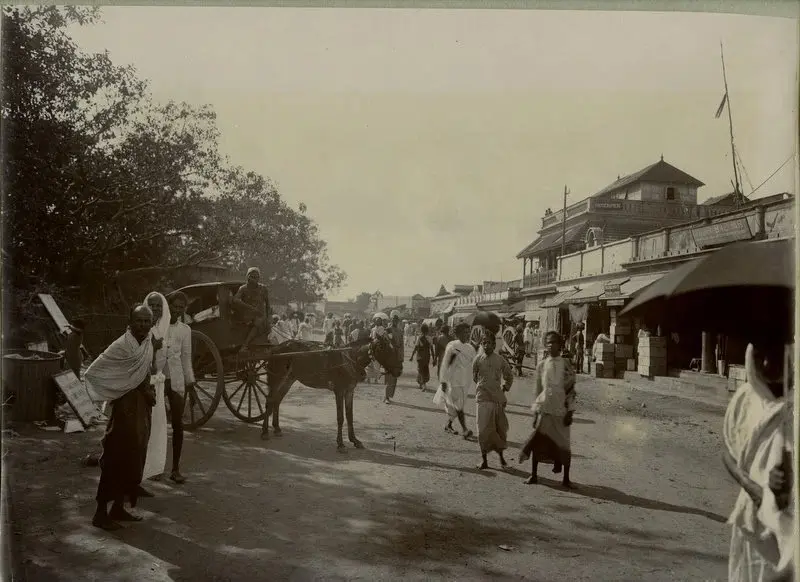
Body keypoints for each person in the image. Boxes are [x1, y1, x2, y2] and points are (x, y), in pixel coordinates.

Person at [723, 342, 795, 582]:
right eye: (760, 355)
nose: (766, 364)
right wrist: (753, 485)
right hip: (751, 527)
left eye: (775, 355)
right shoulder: (745, 400)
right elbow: (730, 450)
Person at [84, 304, 158, 530]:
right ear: (131, 322)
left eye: (147, 321)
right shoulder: (121, 346)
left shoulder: (148, 343)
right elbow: (93, 371)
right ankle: (100, 513)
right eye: (139, 321)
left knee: (133, 458)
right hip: (124, 409)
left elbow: (145, 373)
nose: (143, 325)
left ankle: (118, 507)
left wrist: (148, 391)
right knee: (114, 459)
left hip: (141, 408)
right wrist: (118, 388)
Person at [519, 331, 576, 488]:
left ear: (560, 344)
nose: (551, 345)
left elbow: (571, 390)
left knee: (564, 444)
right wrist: (535, 413)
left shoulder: (567, 365)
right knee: (539, 442)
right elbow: (538, 390)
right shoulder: (541, 365)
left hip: (561, 410)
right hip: (545, 408)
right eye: (548, 342)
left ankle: (566, 479)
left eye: (554, 342)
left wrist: (570, 411)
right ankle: (534, 475)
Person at [162, 291, 195, 484]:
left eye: (181, 308)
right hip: (158, 379)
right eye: (174, 306)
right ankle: (152, 467)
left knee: (178, 425)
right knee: (153, 424)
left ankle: (175, 469)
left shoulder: (185, 330)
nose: (177, 310)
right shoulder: (158, 327)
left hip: (176, 380)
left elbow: (186, 357)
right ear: (169, 306)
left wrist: (189, 381)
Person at [472, 331, 513, 470]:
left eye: (489, 343)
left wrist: (505, 387)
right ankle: (484, 460)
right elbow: (474, 376)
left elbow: (509, 375)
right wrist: (482, 386)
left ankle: (501, 459)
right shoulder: (477, 359)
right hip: (482, 398)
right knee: (482, 430)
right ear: (481, 344)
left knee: (497, 430)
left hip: (496, 399)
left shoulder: (500, 360)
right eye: (484, 343)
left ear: (494, 344)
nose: (486, 345)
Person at [143, 292, 170, 483]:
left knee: (158, 426)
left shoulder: (165, 327)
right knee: (145, 426)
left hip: (158, 382)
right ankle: (142, 469)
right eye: (151, 305)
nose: (155, 309)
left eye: (158, 305)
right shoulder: (142, 327)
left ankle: (154, 467)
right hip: (144, 382)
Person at [434, 322, 475, 438]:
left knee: (456, 406)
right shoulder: (452, 346)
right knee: (459, 406)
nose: (467, 335)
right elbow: (446, 364)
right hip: (453, 380)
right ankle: (465, 430)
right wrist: (443, 380)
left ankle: (448, 424)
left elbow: (475, 361)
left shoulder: (470, 348)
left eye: (468, 332)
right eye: (465, 333)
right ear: (458, 334)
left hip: (465, 380)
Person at [232, 267, 271, 352]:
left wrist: (268, 317)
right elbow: (235, 299)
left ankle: (261, 344)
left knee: (266, 324)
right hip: (247, 315)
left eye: (256, 277)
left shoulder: (263, 289)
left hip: (260, 314)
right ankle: (245, 345)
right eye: (252, 276)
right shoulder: (243, 288)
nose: (254, 279)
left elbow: (268, 305)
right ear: (248, 277)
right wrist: (249, 307)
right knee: (258, 322)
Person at [383, 312, 404, 404]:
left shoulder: (400, 331)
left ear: (398, 321)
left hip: (397, 356)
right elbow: (385, 343)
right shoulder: (387, 330)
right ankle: (386, 396)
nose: (395, 321)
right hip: (389, 356)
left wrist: (401, 357)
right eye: (393, 320)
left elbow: (402, 345)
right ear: (391, 320)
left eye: (396, 320)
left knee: (394, 376)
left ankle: (388, 396)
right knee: (389, 376)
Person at [409, 323, 435, 391]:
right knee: (425, 369)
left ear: (421, 330)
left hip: (420, 356)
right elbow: (432, 349)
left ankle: (422, 384)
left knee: (420, 369)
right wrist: (434, 358)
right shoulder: (429, 338)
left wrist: (412, 356)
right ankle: (422, 383)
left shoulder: (419, 338)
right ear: (427, 330)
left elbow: (416, 348)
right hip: (427, 356)